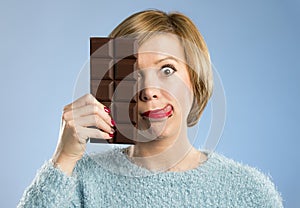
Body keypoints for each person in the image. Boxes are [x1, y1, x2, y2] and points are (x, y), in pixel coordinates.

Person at [18, 9, 283, 207]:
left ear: (196, 82)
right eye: (132, 75)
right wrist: (63, 159)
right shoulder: (79, 183)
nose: (149, 90)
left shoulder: (249, 191)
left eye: (167, 69)